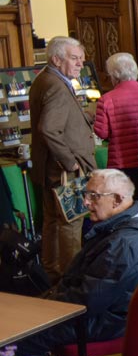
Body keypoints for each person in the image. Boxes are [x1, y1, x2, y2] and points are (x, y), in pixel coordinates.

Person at [13, 169, 138, 356]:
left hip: (105, 320)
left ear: (117, 199)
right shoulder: (124, 227)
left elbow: (89, 300)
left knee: (17, 336)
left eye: (94, 196)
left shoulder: (126, 243)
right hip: (97, 312)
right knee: (16, 318)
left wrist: (45, 308)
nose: (86, 202)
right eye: (86, 194)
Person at [29, 36, 96, 281]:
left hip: (49, 169)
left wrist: (83, 118)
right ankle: (70, 280)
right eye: (75, 58)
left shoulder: (46, 78)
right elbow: (48, 128)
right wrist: (70, 161)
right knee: (71, 222)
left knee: (52, 222)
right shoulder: (57, 85)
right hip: (64, 171)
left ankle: (53, 276)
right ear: (57, 59)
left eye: (82, 58)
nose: (81, 64)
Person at [93, 52, 138, 213]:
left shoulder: (107, 99)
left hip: (121, 163)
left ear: (114, 76)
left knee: (125, 207)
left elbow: (102, 133)